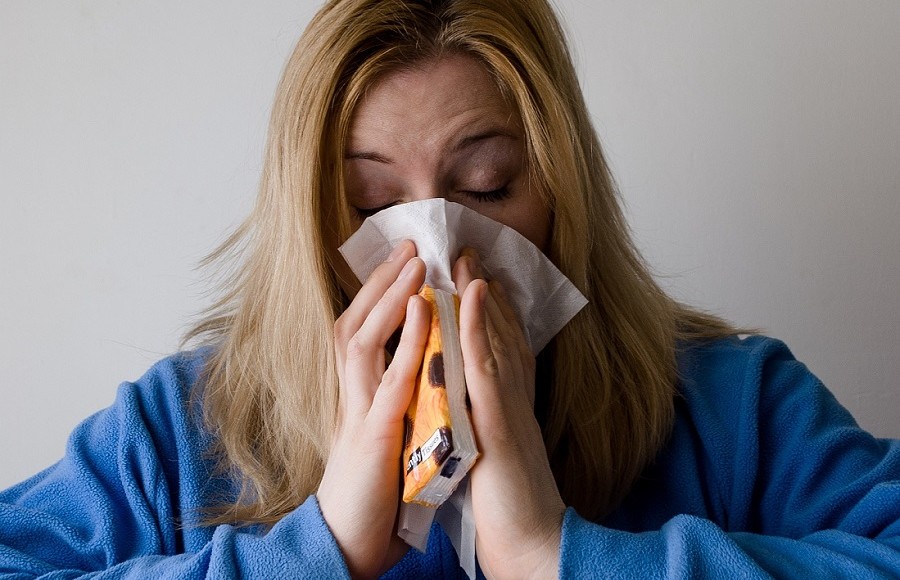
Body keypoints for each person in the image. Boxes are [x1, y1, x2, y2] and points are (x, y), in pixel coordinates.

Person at [2, 0, 898, 577]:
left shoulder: (732, 406)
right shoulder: (182, 430)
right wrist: (320, 551)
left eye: (484, 189)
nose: (433, 250)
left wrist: (558, 557)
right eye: (373, 204)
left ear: (561, 194)